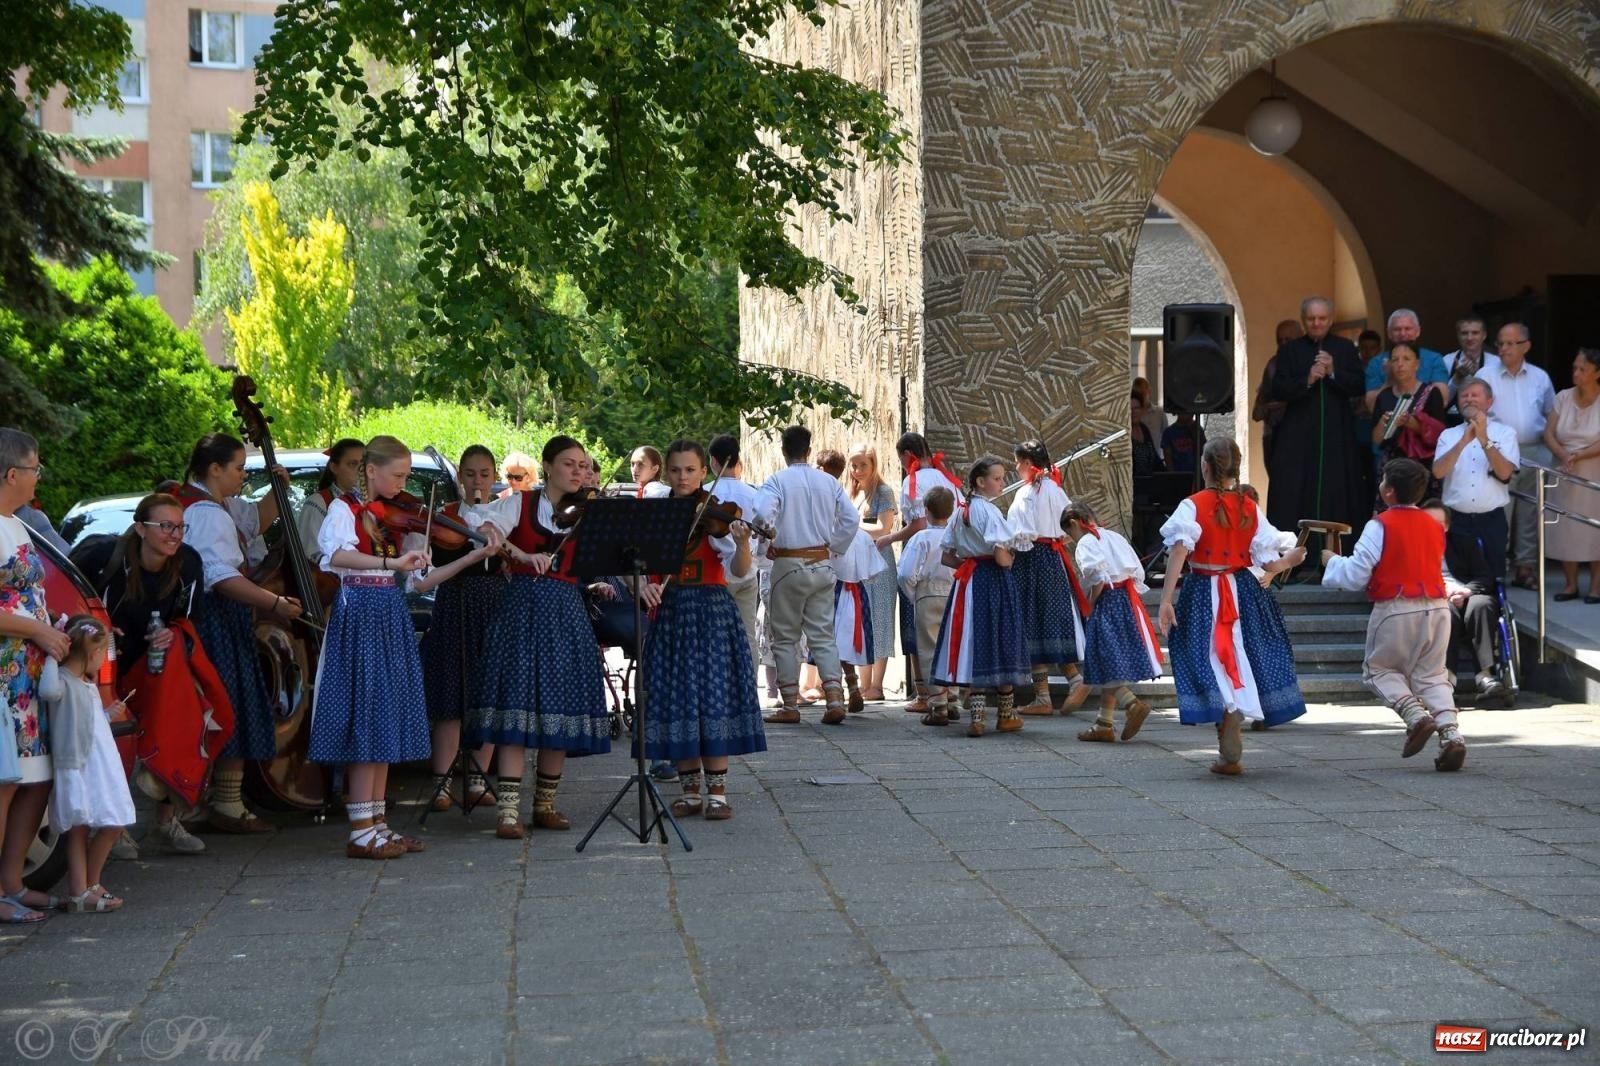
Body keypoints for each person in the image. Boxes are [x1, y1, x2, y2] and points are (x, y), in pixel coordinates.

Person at [466, 436, 610, 840]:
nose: (579, 471)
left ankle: (545, 805)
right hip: (522, 610)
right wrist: (518, 554)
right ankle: (508, 812)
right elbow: (484, 526)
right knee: (517, 704)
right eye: (569, 464)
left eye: (583, 465)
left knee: (558, 707)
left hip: (566, 612)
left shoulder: (588, 512)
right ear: (547, 466)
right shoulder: (521, 503)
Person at [309, 435, 436, 859]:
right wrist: (390, 563)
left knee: (383, 715)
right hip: (361, 611)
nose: (403, 484)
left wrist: (411, 561)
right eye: (397, 475)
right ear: (371, 471)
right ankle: (360, 830)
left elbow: (412, 576)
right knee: (367, 712)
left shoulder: (384, 516)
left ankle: (377, 824)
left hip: (386, 612)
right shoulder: (343, 509)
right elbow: (336, 558)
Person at [71, 493, 215, 854]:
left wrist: (174, 632)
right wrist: (96, 630)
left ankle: (167, 820)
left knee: (178, 722)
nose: (174, 534)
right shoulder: (102, 556)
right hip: (102, 663)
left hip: (154, 662)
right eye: (165, 526)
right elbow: (68, 605)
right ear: (140, 528)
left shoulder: (188, 563)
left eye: (180, 526)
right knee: (112, 741)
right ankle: (111, 826)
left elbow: (191, 620)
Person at [176, 433, 303, 833]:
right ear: (214, 469)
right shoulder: (208, 514)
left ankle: (198, 800)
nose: (242, 476)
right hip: (216, 618)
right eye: (237, 468)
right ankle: (226, 803)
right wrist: (275, 603)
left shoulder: (204, 503)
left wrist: (277, 489)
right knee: (229, 702)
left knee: (216, 705)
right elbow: (223, 577)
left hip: (203, 617)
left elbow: (253, 522)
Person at [1158, 439, 1307, 776]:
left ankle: (1227, 721)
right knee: (1240, 655)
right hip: (1243, 590)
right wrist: (1291, 560)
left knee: (1205, 656)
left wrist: (1166, 599)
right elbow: (1268, 564)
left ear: (1206, 466)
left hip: (1202, 590)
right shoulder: (1249, 508)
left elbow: (1180, 550)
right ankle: (1232, 723)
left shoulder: (1193, 505)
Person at [637, 441, 766, 820]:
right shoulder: (657, 516)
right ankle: (690, 792)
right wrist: (642, 582)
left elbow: (741, 571)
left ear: (703, 473)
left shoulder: (717, 515)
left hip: (711, 612)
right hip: (672, 611)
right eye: (675, 470)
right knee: (679, 699)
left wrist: (743, 544)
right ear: (667, 473)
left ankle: (718, 793)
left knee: (713, 699)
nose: (682, 477)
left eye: (690, 470)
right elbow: (641, 566)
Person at [1322, 459, 1466, 772]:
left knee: (1379, 670)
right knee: (1432, 674)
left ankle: (1415, 716)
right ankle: (1451, 733)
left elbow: (1357, 575)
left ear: (1388, 491)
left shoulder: (1381, 524)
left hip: (1397, 607)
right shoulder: (1433, 524)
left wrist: (1332, 562)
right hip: (1437, 606)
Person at [0, 428, 71, 924]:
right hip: (5, 676)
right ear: (10, 474)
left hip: (28, 674)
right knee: (4, 784)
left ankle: (11, 883)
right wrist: (38, 632)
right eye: (34, 468)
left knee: (36, 779)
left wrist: (55, 630)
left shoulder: (18, 525)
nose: (37, 477)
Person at [753, 425, 860, 726]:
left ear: (784, 450)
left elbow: (761, 515)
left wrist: (766, 544)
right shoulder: (829, 482)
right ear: (809, 450)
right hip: (822, 564)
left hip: (788, 565)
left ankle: (789, 704)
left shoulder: (776, 481)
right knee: (822, 634)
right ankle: (835, 696)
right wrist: (833, 546)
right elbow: (851, 519)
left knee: (785, 637)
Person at [418, 446, 504, 812]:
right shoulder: (445, 516)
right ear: (460, 478)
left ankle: (478, 779)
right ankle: (441, 784)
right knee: (451, 695)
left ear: (494, 475)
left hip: (494, 604)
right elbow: (429, 563)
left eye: (484, 474)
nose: (477, 482)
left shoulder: (504, 514)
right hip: (455, 603)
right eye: (470, 474)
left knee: (489, 693)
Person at [929, 456, 1033, 738]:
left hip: (968, 583)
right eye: (997, 478)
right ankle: (1006, 715)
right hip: (994, 582)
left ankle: (976, 718)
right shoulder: (989, 512)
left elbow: (948, 556)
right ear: (980, 481)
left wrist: (969, 564)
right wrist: (1009, 556)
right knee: (1001, 639)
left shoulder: (960, 512)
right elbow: (1001, 558)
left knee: (972, 642)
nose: (1001, 483)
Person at [42, 616, 136, 911]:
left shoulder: (87, 684)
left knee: (110, 821)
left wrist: (108, 713)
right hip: (81, 765)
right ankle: (80, 890)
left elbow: (90, 722)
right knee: (80, 826)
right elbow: (47, 692)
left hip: (100, 764)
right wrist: (50, 656)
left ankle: (90, 885)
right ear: (93, 653)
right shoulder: (63, 682)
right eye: (104, 654)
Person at [1267, 297, 1368, 542]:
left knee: (1337, 490)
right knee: (1295, 489)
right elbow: (1278, 388)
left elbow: (1358, 385)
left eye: (1322, 318)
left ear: (1330, 319)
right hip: (1299, 434)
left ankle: (1333, 555)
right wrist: (1307, 380)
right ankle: (1298, 556)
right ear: (1304, 321)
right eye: (1311, 319)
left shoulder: (1344, 348)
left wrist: (1334, 372)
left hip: (1336, 434)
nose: (1316, 323)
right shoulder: (1290, 350)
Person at [878, 432, 963, 713]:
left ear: (906, 455)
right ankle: (950, 693)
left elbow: (916, 526)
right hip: (953, 574)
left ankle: (928, 695)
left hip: (925, 577)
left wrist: (889, 539)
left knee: (924, 641)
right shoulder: (946, 479)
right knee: (952, 637)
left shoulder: (912, 483)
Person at [1062, 504, 1160, 744]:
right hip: (1127, 600)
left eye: (1069, 533)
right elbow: (1137, 571)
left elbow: (1097, 578)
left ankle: (1132, 704)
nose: (1071, 539)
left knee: (1103, 659)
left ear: (1074, 522)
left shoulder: (1086, 543)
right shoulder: (1114, 536)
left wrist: (1091, 603)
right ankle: (1103, 723)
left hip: (1108, 600)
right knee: (1112, 659)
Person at [1009, 440, 1088, 715]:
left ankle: (1043, 697)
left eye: (1018, 462)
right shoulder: (1056, 489)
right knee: (1052, 621)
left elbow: (1019, 534)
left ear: (1029, 464)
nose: (1015, 467)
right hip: (1053, 560)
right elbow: (1071, 523)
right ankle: (1074, 681)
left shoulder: (1027, 494)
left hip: (1031, 560)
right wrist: (1058, 540)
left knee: (1033, 623)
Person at [1483, 323, 1556, 589]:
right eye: (1500, 343)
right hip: (1499, 452)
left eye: (1510, 343)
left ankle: (1525, 569)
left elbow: (1552, 414)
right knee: (1499, 513)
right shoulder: (1486, 375)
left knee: (1530, 514)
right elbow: (1473, 411)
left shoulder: (1540, 377)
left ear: (1525, 345)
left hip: (1535, 451)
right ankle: (1497, 570)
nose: (1503, 349)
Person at [1422, 500, 1513, 709]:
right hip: (1436, 598)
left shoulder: (1464, 542)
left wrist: (1465, 591)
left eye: (1437, 523)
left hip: (1469, 592)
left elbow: (1485, 576)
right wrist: (1442, 594)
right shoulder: (1414, 548)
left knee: (1481, 606)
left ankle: (1485, 676)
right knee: (1446, 611)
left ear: (1446, 526)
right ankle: (1447, 681)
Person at [1433, 378, 1520, 580]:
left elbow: (1505, 473)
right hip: (1455, 519)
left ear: (1489, 402)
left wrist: (1484, 439)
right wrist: (1464, 441)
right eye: (1465, 395)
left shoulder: (1506, 433)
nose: (1469, 399)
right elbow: (1438, 472)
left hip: (1492, 519)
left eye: (1475, 395)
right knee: (1457, 578)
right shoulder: (1448, 434)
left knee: (1493, 576)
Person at [1544, 348, 1600, 601]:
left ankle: (1596, 587)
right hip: (1564, 469)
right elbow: (1548, 433)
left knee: (1594, 529)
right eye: (1574, 367)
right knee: (1565, 525)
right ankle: (1570, 584)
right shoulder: (1563, 396)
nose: (1576, 373)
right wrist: (1564, 454)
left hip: (1594, 470)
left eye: (1582, 369)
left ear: (1597, 373)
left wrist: (1579, 455)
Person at [898, 486, 957, 726]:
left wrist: (914, 596)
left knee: (930, 649)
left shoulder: (920, 539)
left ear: (927, 511)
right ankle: (952, 698)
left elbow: (905, 574)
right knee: (952, 647)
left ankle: (938, 704)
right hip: (954, 595)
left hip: (928, 595)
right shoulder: (955, 536)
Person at [846, 444, 898, 701]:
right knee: (861, 620)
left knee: (880, 619)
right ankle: (864, 684)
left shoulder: (884, 492)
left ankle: (877, 684)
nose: (857, 470)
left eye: (862, 465)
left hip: (879, 563)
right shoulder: (854, 493)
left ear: (874, 464)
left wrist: (852, 525)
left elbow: (883, 528)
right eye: (854, 465)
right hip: (859, 564)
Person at [708, 435, 763, 659]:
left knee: (715, 636)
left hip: (716, 572)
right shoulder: (755, 494)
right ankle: (749, 689)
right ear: (737, 460)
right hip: (748, 570)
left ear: (712, 461)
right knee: (748, 635)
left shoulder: (705, 494)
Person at [1371, 341, 1447, 500]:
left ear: (1417, 364)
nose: (1400, 364)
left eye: (1406, 359)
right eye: (1395, 359)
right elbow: (1377, 440)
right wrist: (1383, 424)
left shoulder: (1431, 393)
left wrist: (1413, 424)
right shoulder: (1384, 396)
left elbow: (1441, 435)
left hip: (1422, 468)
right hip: (1392, 469)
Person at [830, 525, 887, 713]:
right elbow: (874, 571)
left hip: (834, 591)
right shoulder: (863, 536)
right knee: (846, 641)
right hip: (857, 593)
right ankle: (852, 688)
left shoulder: (831, 532)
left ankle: (838, 692)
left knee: (832, 641)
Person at [1363, 308, 1449, 412]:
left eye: (1408, 329)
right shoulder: (1376, 363)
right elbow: (1372, 407)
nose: (1403, 334)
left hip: (1422, 424)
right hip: (1388, 423)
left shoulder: (1434, 359)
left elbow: (1442, 401)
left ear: (1417, 331)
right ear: (1389, 333)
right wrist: (1390, 379)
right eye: (1397, 329)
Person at [298, 438, 364, 565]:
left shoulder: (373, 503)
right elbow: (312, 556)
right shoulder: (318, 503)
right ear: (334, 467)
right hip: (334, 582)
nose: (360, 470)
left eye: (364, 465)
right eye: (353, 464)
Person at [1251, 319, 1306, 462]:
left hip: (1303, 436)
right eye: (1280, 340)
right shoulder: (1272, 366)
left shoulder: (1312, 364)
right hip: (1275, 435)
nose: (1283, 345)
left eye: (1288, 340)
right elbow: (1257, 412)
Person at [1442, 316, 1499, 417]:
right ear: (1458, 335)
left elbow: (1499, 399)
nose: (1469, 338)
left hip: (1487, 422)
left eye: (1475, 333)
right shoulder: (1447, 361)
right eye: (1464, 333)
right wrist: (1456, 379)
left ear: (1484, 335)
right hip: (1453, 423)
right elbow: (1441, 401)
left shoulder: (1495, 362)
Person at [1129, 392, 1165, 476]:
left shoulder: (1144, 428)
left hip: (1150, 483)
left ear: (1142, 410)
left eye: (1136, 408)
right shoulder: (1124, 433)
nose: (1133, 412)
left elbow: (1155, 458)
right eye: (1130, 409)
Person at [1161, 411, 1205, 476]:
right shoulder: (1169, 432)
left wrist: (1194, 430)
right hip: (1179, 475)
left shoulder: (1197, 429)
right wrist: (1173, 475)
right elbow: (1168, 457)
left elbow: (1203, 451)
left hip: (1197, 475)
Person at [1132, 377, 1167, 449]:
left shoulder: (1159, 412)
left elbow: (1167, 437)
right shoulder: (1132, 414)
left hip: (1156, 456)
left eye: (1143, 394)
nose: (1141, 398)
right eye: (1138, 395)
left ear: (1149, 391)